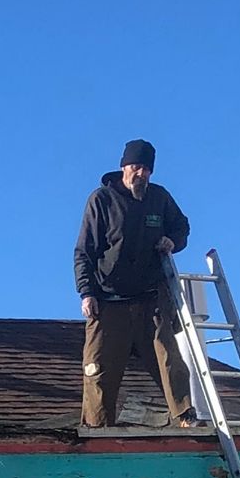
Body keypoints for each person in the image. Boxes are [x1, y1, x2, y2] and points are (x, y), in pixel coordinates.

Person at [73, 140, 196, 432]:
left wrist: (172, 241)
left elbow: (182, 227)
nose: (140, 174)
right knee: (97, 366)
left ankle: (185, 415)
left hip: (150, 299)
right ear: (123, 167)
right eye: (135, 167)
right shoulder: (102, 200)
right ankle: (98, 427)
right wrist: (87, 292)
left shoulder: (159, 198)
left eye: (146, 169)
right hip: (109, 300)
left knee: (169, 358)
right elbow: (84, 251)